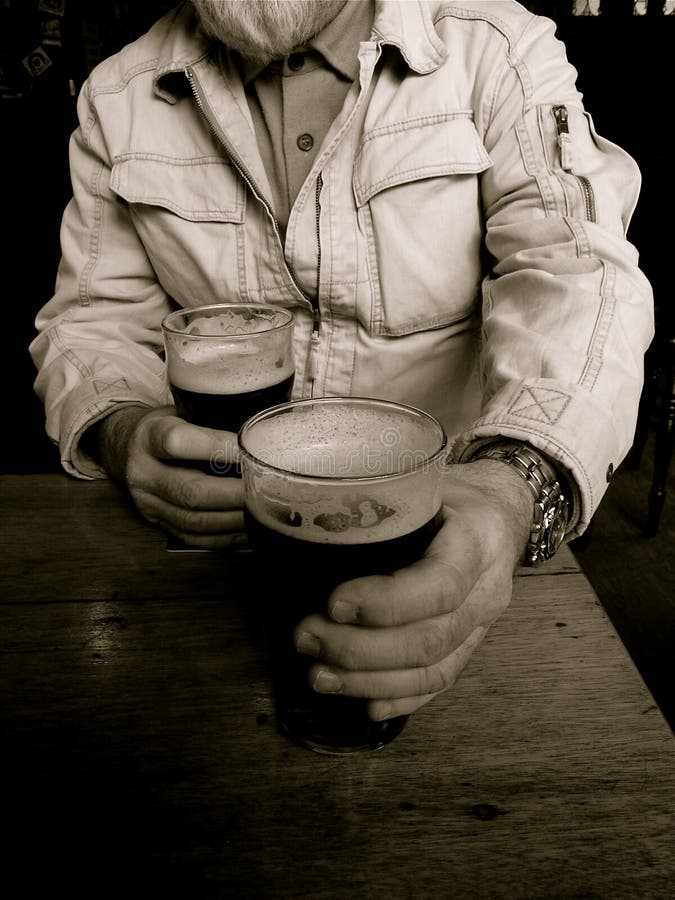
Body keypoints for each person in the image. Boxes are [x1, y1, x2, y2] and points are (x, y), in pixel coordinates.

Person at [29, 0, 654, 724]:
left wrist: (513, 487)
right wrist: (122, 427)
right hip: (206, 582)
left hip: (456, 556)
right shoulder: (117, 93)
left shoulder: (497, 49)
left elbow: (577, 278)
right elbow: (92, 321)